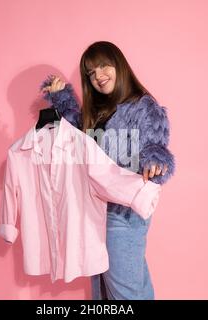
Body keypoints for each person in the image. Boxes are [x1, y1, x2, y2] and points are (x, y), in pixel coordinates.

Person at [40, 41, 175, 300]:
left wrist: (155, 161)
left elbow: (155, 146)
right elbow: (77, 141)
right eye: (90, 73)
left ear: (119, 65)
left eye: (103, 66)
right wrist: (60, 98)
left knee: (126, 294)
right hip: (95, 212)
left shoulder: (142, 106)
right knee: (109, 291)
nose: (98, 76)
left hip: (123, 216)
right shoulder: (98, 112)